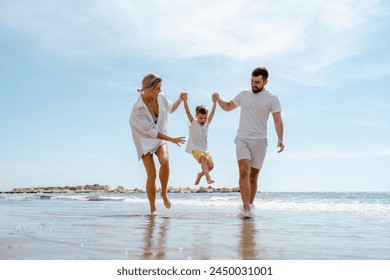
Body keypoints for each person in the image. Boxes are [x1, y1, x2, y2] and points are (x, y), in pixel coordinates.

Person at [213, 67, 284, 218]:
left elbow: (277, 119)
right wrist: (218, 100)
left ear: (265, 81)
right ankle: (245, 208)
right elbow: (228, 106)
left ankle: (250, 206)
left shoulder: (272, 98)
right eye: (252, 81)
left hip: (260, 141)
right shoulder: (244, 94)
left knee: (253, 176)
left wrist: (280, 138)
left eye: (257, 82)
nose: (254, 84)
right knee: (244, 170)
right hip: (242, 138)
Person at [129, 73, 186, 215]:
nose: (159, 91)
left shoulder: (160, 97)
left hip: (160, 135)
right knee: (152, 173)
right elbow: (150, 132)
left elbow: (171, 108)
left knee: (165, 161)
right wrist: (171, 139)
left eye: (160, 88)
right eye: (157, 88)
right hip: (143, 138)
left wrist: (180, 99)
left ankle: (164, 193)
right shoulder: (138, 107)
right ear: (148, 88)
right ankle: (153, 209)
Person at [181, 93, 217, 185]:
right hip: (195, 148)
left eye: (205, 118)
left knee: (211, 166)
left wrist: (215, 102)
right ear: (196, 116)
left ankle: (200, 175)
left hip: (205, 149)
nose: (203, 120)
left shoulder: (207, 123)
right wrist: (185, 101)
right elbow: (187, 112)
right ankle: (208, 178)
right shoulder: (193, 123)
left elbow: (212, 113)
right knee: (203, 158)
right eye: (200, 118)